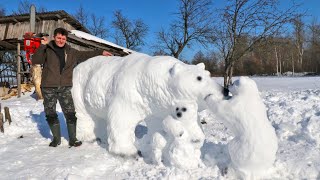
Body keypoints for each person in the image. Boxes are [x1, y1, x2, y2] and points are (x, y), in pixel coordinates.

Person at [32, 27, 112, 147]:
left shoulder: (71, 52)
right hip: (48, 87)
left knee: (70, 113)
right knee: (50, 113)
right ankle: (56, 139)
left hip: (64, 87)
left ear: (66, 39)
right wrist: (43, 45)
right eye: (58, 38)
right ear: (54, 37)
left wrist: (100, 52)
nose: (61, 40)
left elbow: (85, 54)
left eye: (63, 38)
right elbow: (36, 60)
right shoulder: (47, 49)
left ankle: (73, 139)